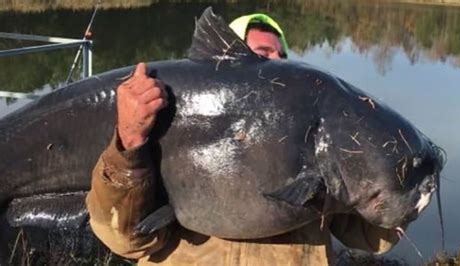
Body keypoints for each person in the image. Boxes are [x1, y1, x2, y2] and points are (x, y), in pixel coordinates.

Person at [86, 13, 400, 265]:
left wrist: (399, 180)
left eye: (282, 57)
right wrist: (129, 143)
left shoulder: (318, 149)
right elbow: (124, 240)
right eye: (262, 55)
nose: (276, 63)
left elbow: (372, 237)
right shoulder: (167, 128)